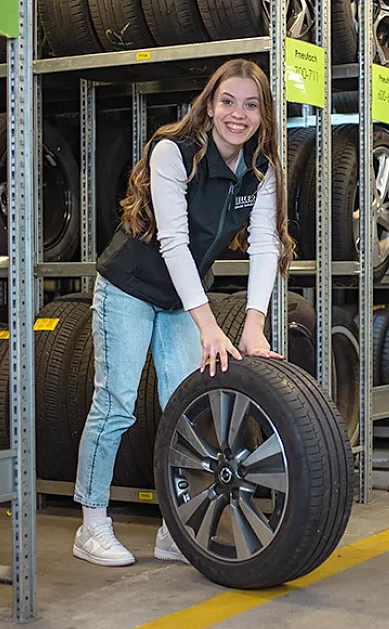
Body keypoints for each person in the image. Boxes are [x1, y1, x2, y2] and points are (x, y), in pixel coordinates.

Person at [72, 58, 295, 567]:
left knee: (185, 410)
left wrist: (255, 327)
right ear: (210, 104)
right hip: (130, 287)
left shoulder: (262, 169)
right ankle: (92, 522)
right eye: (228, 101)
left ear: (263, 114)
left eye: (251, 105)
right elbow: (173, 242)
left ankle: (176, 525)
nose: (238, 114)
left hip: (179, 298)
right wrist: (212, 328)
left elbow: (264, 245)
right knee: (116, 403)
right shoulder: (173, 152)